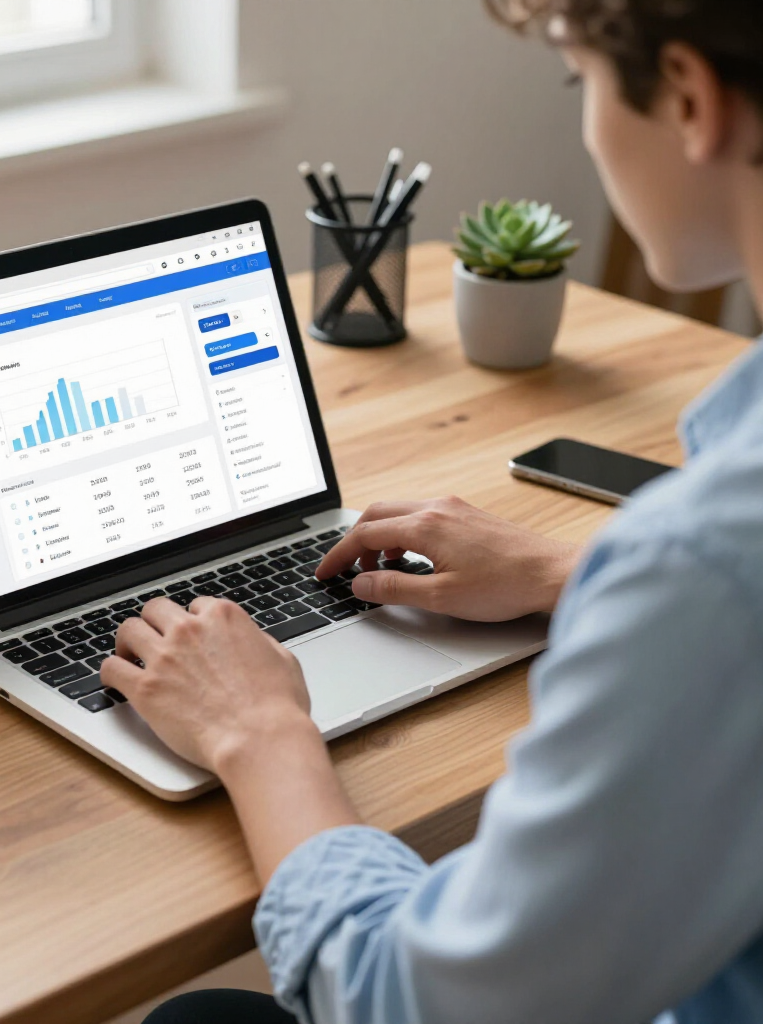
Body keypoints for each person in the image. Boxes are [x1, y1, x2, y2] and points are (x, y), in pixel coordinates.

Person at [102, 1, 763, 1020]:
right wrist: (573, 574)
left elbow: (412, 1002)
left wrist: (258, 731)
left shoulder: (711, 561)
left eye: (577, 78)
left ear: (687, 98)